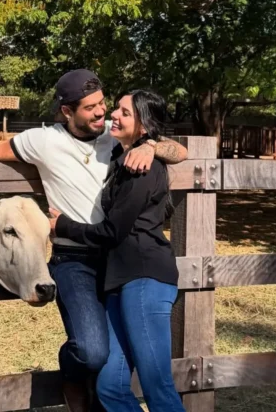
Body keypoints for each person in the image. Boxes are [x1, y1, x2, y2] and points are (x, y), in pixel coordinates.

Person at [0, 70, 188, 412]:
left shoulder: (114, 136)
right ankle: (71, 374)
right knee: (92, 351)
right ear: (67, 111)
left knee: (115, 370)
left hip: (117, 259)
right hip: (74, 259)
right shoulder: (42, 140)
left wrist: (152, 146)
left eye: (103, 103)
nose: (102, 112)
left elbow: (180, 151)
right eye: (91, 108)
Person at [49, 90, 185, 412]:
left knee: (156, 386)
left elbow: (112, 232)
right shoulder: (121, 157)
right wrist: (148, 144)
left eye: (125, 112)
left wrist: (64, 226)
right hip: (118, 282)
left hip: (144, 279)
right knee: (110, 388)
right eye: (117, 109)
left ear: (143, 125)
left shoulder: (142, 169)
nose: (114, 115)